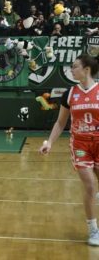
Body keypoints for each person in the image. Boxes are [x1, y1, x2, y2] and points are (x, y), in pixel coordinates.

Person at [40, 54, 99, 246]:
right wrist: (49, 143)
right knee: (89, 185)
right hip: (80, 145)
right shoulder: (70, 93)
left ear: (86, 69)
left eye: (75, 66)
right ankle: (93, 229)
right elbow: (60, 123)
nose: (71, 69)